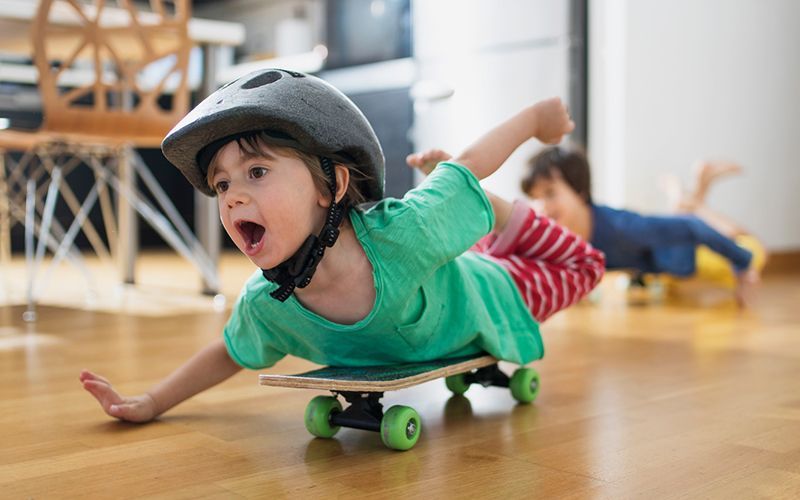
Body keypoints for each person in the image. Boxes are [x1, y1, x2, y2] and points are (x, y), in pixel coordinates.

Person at [80, 69, 604, 423]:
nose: (233, 196)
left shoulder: (401, 232)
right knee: (455, 210)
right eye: (222, 185)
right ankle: (468, 212)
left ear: (331, 185)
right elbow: (229, 351)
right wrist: (150, 402)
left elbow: (467, 161)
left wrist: (536, 121)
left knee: (586, 264)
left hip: (497, 293)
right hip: (450, 273)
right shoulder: (268, 305)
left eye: (256, 172)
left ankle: (482, 207)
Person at [519, 145, 766, 306]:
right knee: (674, 232)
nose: (543, 207)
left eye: (550, 194)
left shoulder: (623, 228)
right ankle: (684, 197)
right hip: (663, 268)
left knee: (752, 249)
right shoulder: (560, 235)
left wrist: (743, 264)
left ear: (580, 191)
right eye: (536, 198)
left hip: (690, 257)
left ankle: (689, 195)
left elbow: (692, 227)